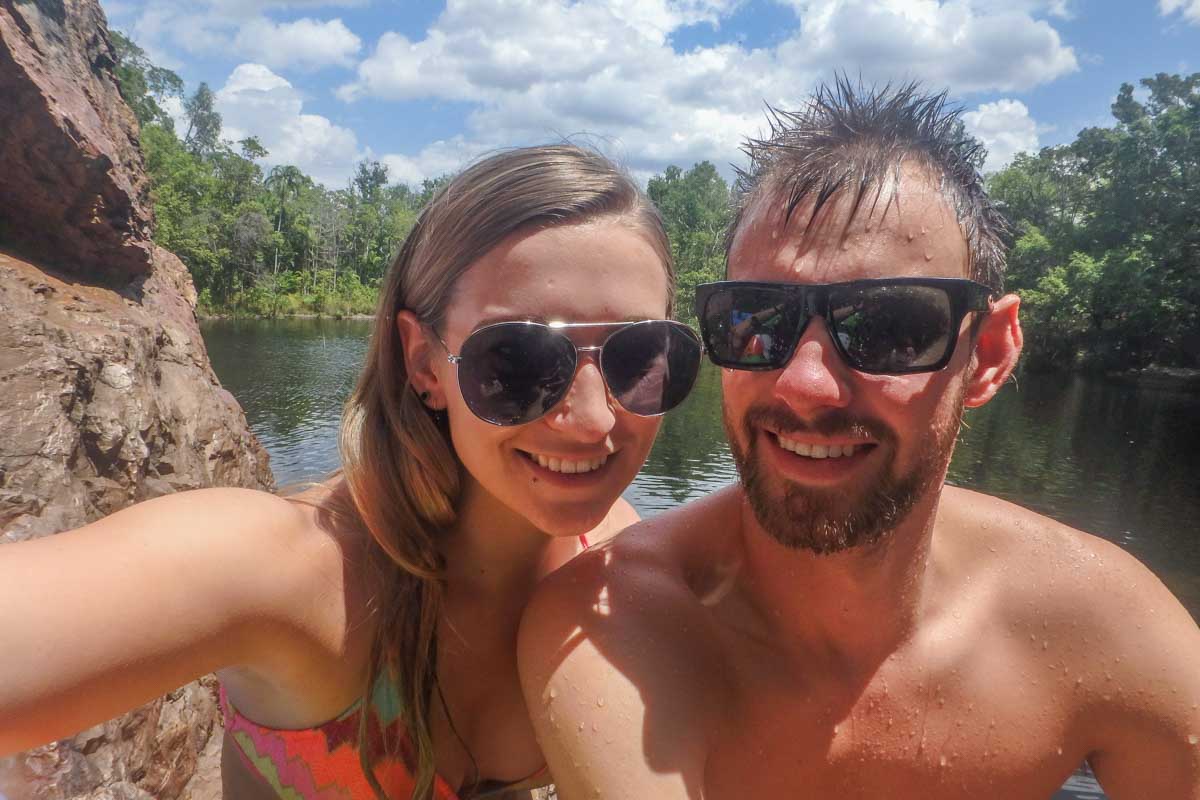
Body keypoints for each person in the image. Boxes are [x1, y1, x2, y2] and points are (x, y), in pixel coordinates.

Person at [518, 81, 1200, 799]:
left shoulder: (1098, 621)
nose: (805, 385)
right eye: (758, 321)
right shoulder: (619, 629)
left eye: (889, 327)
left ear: (990, 354)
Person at [0, 144, 703, 799]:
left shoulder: (616, 562)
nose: (594, 421)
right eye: (516, 361)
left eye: (638, 355)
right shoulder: (295, 568)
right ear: (425, 361)